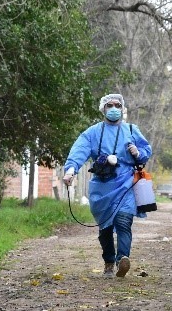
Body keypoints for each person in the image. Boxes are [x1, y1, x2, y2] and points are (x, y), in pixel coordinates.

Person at [62, 93, 152, 278]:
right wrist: (71, 170)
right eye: (109, 105)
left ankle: (122, 260)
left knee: (124, 221)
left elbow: (146, 151)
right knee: (105, 229)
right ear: (103, 108)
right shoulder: (92, 133)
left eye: (117, 105)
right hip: (101, 187)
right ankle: (109, 262)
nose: (113, 109)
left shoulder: (132, 130)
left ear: (122, 108)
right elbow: (80, 150)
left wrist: (137, 152)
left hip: (126, 183)